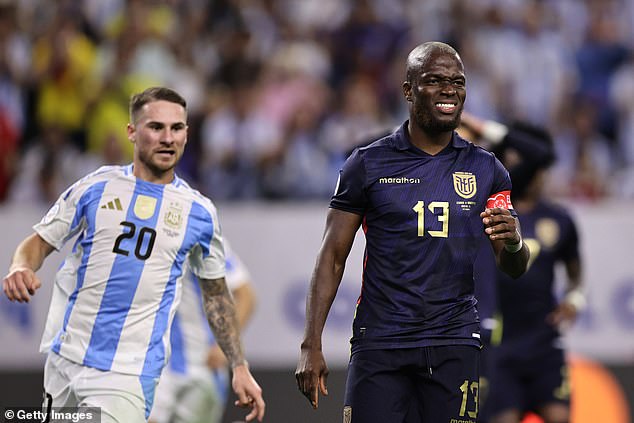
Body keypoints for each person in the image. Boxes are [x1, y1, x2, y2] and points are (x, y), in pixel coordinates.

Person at [295, 41, 530, 423]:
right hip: (381, 342)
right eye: (434, 80)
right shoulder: (367, 164)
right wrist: (311, 342)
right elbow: (332, 256)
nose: (449, 89)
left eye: (457, 81)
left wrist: (516, 242)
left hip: (453, 340)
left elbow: (513, 264)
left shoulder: (487, 169)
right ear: (408, 90)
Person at [2, 87, 265, 423]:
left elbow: (217, 295)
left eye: (177, 128)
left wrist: (238, 365)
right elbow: (38, 243)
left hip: (128, 372)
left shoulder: (198, 212)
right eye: (156, 127)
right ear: (131, 132)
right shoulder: (96, 187)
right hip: (65, 359)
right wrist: (20, 265)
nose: (168, 138)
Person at [462, 113, 583, 423]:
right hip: (502, 347)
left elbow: (575, 272)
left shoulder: (559, 219)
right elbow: (536, 152)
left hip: (544, 342)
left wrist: (575, 300)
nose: (540, 172)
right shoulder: (493, 207)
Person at [149, 240, 257, 423]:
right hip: (155, 362)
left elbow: (246, 295)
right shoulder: (141, 235)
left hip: (202, 366)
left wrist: (225, 345)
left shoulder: (200, 235)